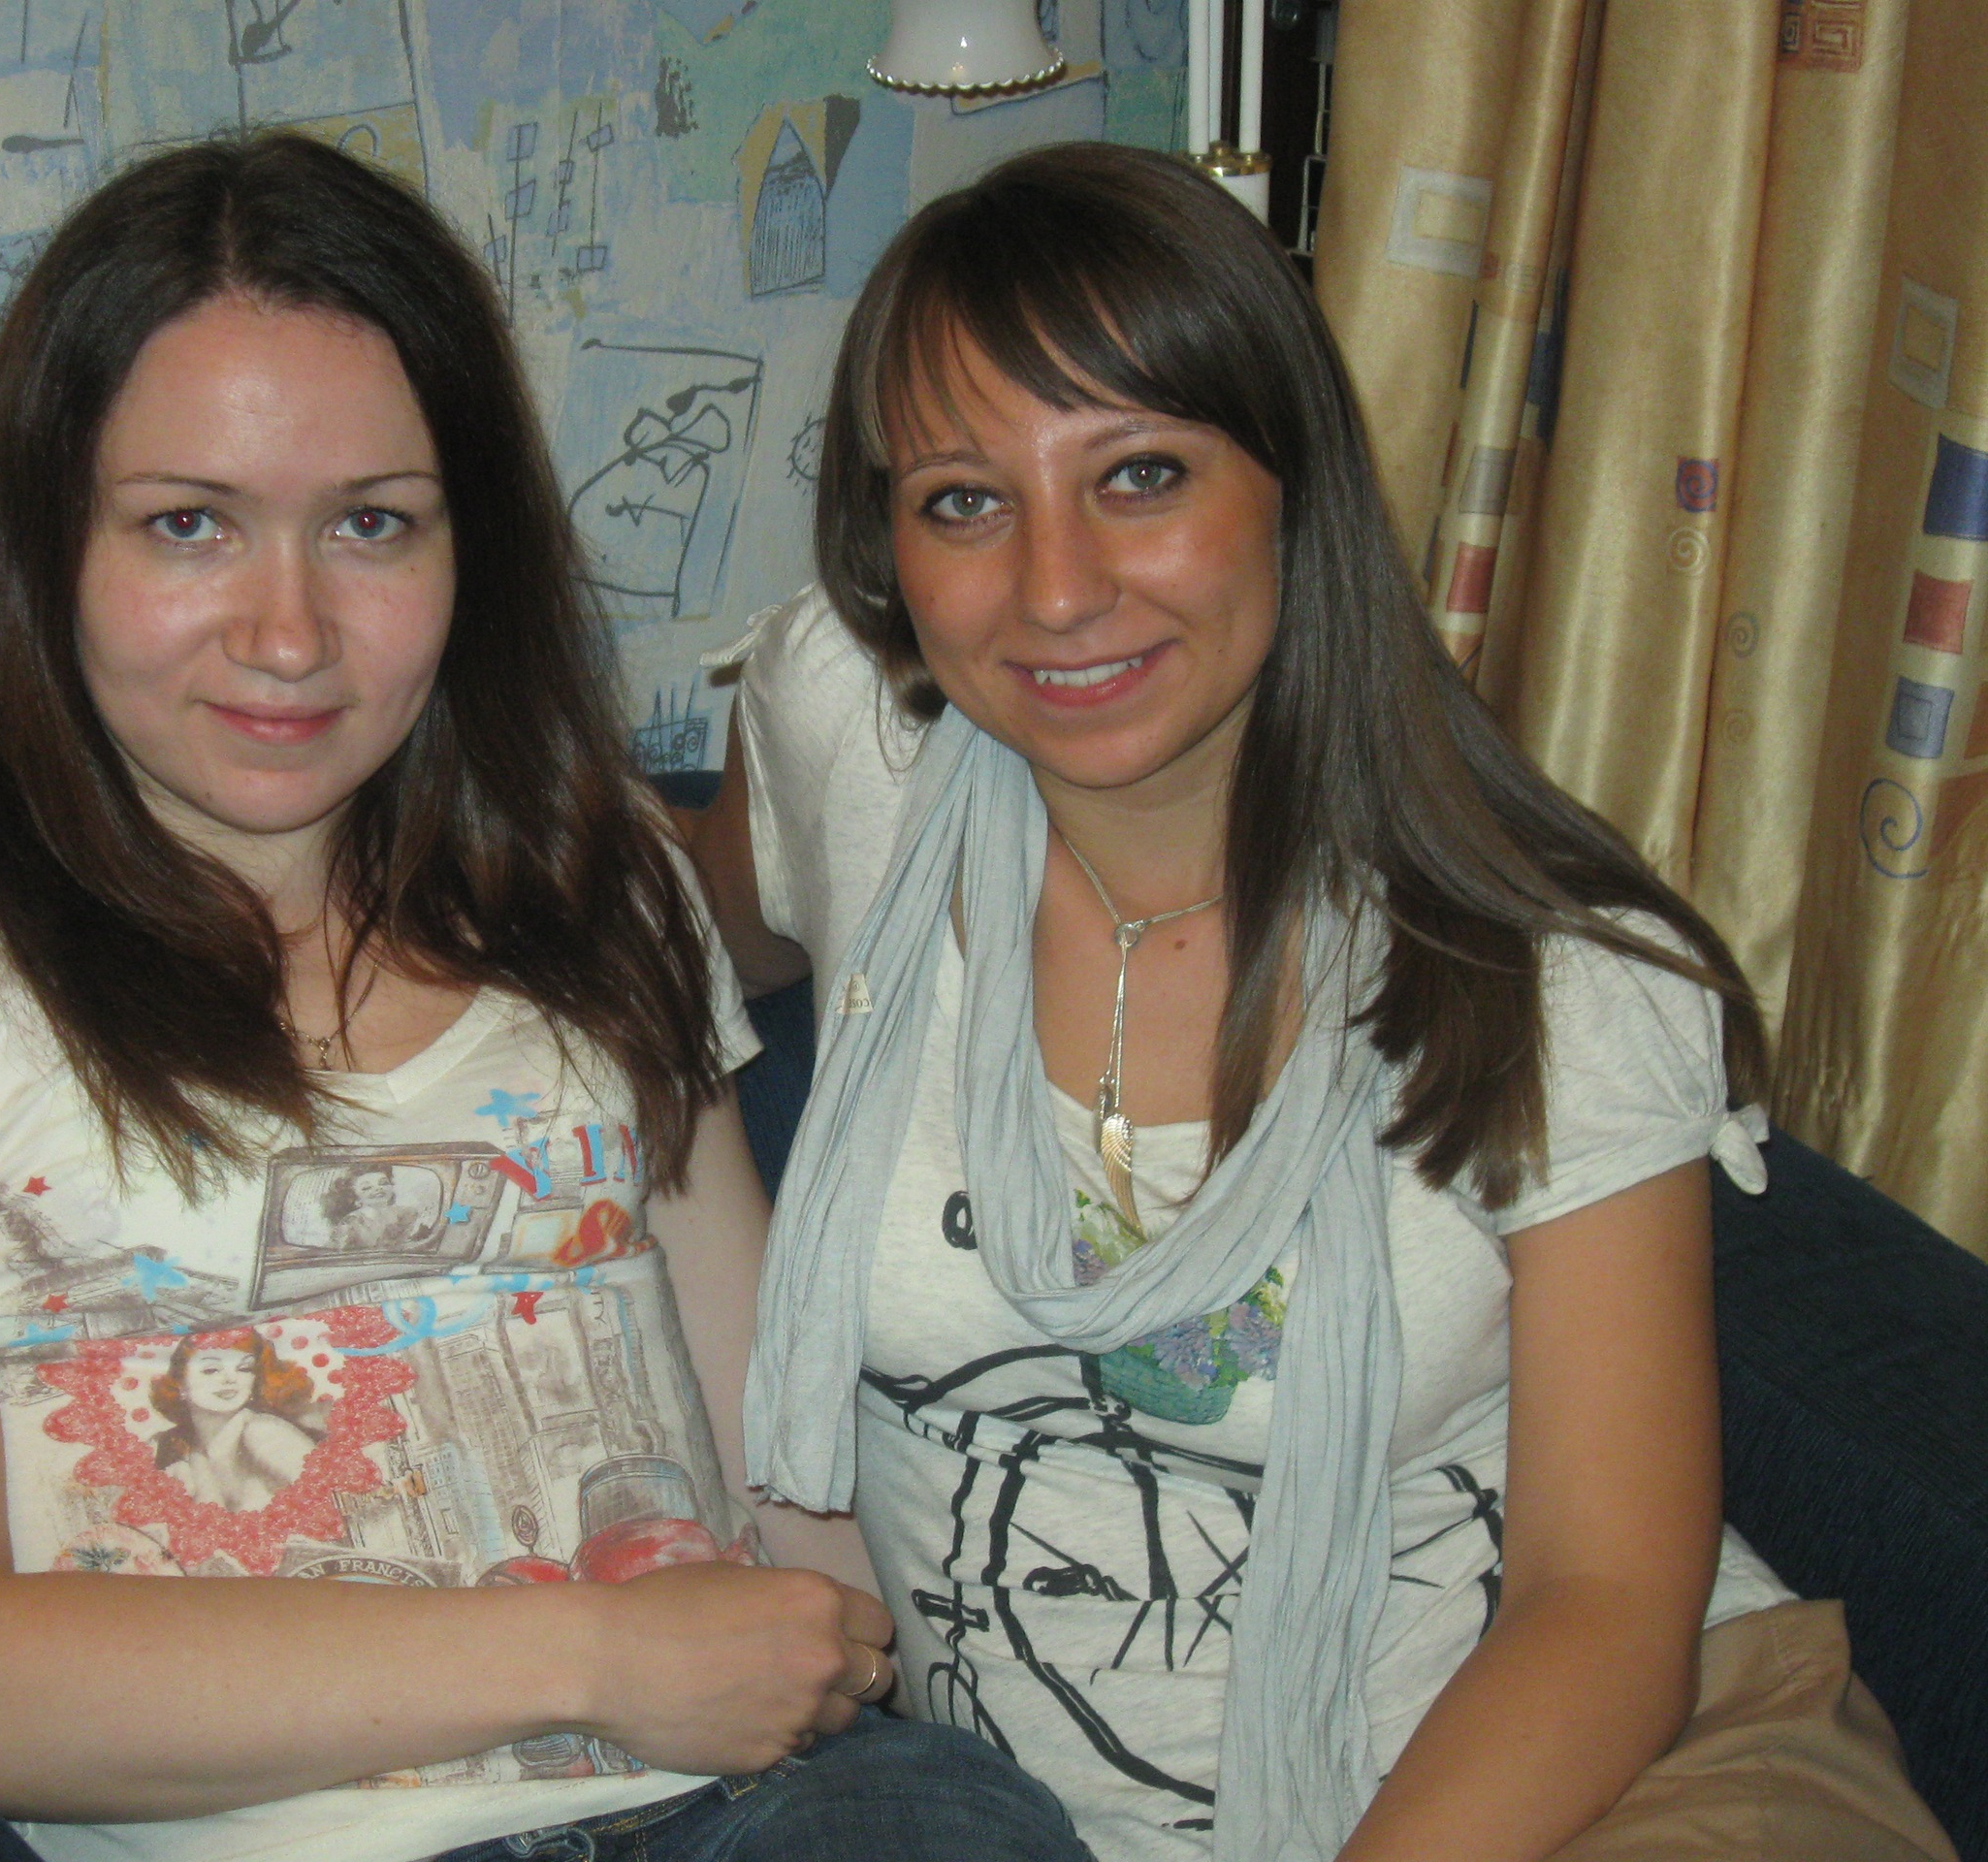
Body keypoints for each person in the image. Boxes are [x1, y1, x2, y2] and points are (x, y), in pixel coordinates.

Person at [0, 133, 1089, 1862]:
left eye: (371, 526)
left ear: (468, 547)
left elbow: (788, 1472)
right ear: (46, 542)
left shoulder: (600, 885)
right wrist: (591, 1657)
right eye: (189, 524)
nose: (289, 634)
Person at [684, 143, 1958, 1862]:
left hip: (1596, 1777)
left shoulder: (1555, 980)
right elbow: (648, 923)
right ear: (885, 550)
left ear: (1295, 487)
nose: (1055, 588)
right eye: (964, 502)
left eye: (1140, 476)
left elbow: (1604, 1603)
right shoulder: (856, 740)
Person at [150, 1332, 323, 1513]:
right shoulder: (178, 1450)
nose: (230, 1379)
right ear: (180, 1384)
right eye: (211, 1370)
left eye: (244, 1369)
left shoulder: (263, 1431)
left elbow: (330, 1498)